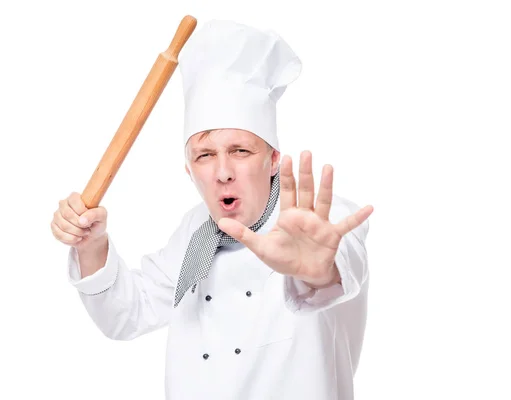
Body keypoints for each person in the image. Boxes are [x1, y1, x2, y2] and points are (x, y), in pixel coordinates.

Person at [50, 19, 374, 399]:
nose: (222, 172)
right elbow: (128, 315)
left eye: (240, 151)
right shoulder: (195, 232)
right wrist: (91, 246)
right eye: (205, 155)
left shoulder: (319, 215)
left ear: (272, 160)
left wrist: (318, 270)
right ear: (189, 170)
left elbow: (341, 263)